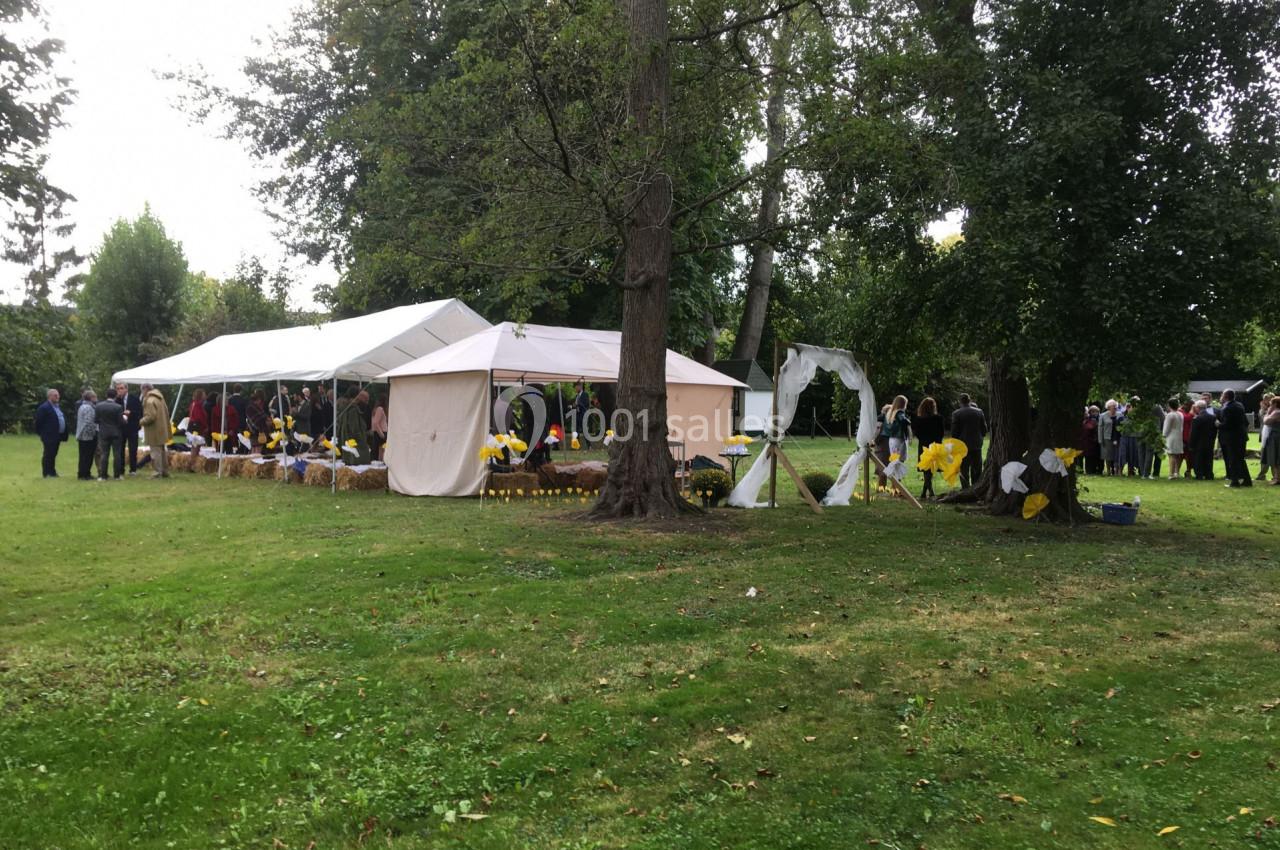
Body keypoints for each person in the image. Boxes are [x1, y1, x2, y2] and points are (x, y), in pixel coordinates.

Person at [951, 393, 987, 489]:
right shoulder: (979, 412)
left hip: (962, 445)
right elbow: (984, 429)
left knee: (964, 468)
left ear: (960, 402)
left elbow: (954, 432)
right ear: (969, 400)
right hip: (976, 444)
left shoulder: (956, 413)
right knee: (977, 468)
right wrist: (980, 436)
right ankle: (976, 487)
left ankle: (965, 488)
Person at [1218, 389, 1252, 488]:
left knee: (1232, 460)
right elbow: (1245, 422)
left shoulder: (1227, 408)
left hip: (1231, 438)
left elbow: (1227, 424)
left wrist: (1218, 424)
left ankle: (1235, 482)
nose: (1221, 396)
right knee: (1241, 459)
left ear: (1226, 397)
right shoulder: (1239, 405)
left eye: (1222, 395)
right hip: (1241, 436)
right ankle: (1247, 480)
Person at [914, 397, 944, 500]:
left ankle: (926, 492)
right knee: (930, 469)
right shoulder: (938, 418)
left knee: (926, 469)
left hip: (923, 445)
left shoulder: (919, 419)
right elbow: (941, 433)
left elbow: (917, 433)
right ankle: (928, 492)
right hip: (935, 445)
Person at [35, 387, 68, 478]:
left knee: (53, 454)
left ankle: (52, 472)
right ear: (50, 396)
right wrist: (42, 434)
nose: (58, 397)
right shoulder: (44, 408)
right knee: (48, 454)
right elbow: (39, 422)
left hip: (57, 435)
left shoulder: (57, 407)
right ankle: (46, 473)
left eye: (58, 395)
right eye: (55, 395)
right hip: (48, 435)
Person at [139, 383, 171, 477]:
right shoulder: (160, 398)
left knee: (155, 452)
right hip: (162, 429)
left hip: (154, 430)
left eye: (142, 390)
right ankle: (165, 471)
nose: (142, 393)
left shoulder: (149, 400)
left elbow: (150, 417)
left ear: (145, 389)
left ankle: (157, 472)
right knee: (162, 451)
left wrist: (140, 421)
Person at [95, 388, 125, 480]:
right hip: (116, 433)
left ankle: (103, 476)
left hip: (103, 433)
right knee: (117, 454)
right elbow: (121, 422)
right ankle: (117, 476)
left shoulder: (99, 406)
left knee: (104, 454)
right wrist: (126, 418)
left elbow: (95, 420)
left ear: (106, 395)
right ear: (115, 396)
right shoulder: (118, 407)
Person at [335, 386, 371, 463]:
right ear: (356, 395)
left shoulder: (344, 407)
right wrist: (361, 439)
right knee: (357, 460)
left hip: (344, 438)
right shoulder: (352, 409)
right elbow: (354, 428)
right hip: (353, 440)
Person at [115, 382, 144, 475]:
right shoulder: (116, 400)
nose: (120, 390)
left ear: (126, 389)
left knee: (133, 449)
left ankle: (133, 469)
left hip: (132, 428)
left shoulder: (134, 399)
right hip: (121, 428)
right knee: (120, 449)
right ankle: (121, 469)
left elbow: (140, 413)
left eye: (121, 388)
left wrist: (130, 413)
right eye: (118, 388)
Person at [1188, 400, 1217, 480]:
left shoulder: (1197, 418)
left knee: (1198, 458)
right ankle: (1209, 474)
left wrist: (1191, 444)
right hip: (1210, 442)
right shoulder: (1213, 417)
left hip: (1199, 443)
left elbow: (1193, 433)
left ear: (1198, 408)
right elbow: (1215, 430)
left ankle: (1199, 474)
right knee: (1209, 459)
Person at [75, 389, 99, 480]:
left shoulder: (82, 406)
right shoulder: (89, 408)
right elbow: (89, 422)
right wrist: (93, 434)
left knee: (83, 455)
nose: (96, 399)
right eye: (95, 397)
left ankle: (82, 473)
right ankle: (85, 474)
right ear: (91, 398)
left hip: (81, 435)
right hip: (87, 436)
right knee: (87, 456)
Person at [884, 395, 912, 471]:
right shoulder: (899, 412)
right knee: (900, 462)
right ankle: (897, 481)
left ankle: (894, 481)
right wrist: (908, 421)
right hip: (899, 439)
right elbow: (903, 420)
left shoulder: (890, 412)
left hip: (892, 439)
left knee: (894, 461)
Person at [1162, 397, 1185, 480]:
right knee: (1177, 455)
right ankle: (1177, 472)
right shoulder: (1180, 414)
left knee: (1171, 455)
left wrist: (1163, 436)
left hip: (1171, 436)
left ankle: (1171, 474)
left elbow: (1166, 428)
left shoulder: (1170, 415)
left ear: (1169, 405)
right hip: (1179, 434)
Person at [1259, 396, 1280, 485]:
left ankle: (1277, 479)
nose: (1269, 405)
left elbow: (1266, 421)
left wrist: (1267, 412)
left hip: (1276, 437)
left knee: (1275, 458)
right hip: (1274, 436)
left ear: (1275, 404)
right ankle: (1276, 477)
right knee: (1273, 458)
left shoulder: (1277, 412)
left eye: (1271, 403)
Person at [1097, 399, 1119, 475]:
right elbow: (1100, 428)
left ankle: (1115, 470)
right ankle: (1108, 470)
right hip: (1107, 437)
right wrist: (1100, 439)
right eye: (1113, 406)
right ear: (1108, 407)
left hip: (1117, 438)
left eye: (1115, 406)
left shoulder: (1120, 415)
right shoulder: (1102, 416)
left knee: (1116, 454)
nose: (1115, 407)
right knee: (1107, 455)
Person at [1080, 405, 1101, 475]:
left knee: (1090, 457)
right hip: (1082, 441)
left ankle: (1090, 471)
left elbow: (1095, 430)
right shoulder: (1082, 421)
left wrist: (1095, 440)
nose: (1085, 414)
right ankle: (1081, 470)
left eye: (1086, 412)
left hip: (1091, 442)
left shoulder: (1092, 421)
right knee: (1081, 456)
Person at [370, 394, 388, 460]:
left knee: (380, 450)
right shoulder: (380, 409)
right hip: (381, 433)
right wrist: (382, 434)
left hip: (380, 432)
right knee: (381, 450)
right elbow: (375, 423)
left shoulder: (378, 409)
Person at [1179, 400, 1194, 478]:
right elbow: (1187, 418)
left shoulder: (1191, 412)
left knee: (1189, 456)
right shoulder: (1180, 411)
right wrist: (1192, 411)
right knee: (1180, 455)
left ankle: (1188, 471)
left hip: (1190, 437)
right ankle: (1176, 471)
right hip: (1182, 437)